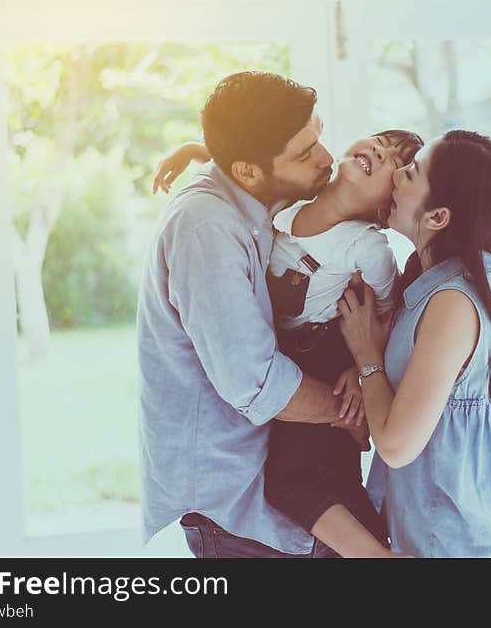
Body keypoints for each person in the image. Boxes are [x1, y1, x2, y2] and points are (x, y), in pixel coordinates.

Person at [155, 128, 423, 558]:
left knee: (296, 479)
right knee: (325, 473)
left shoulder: (366, 246)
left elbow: (388, 313)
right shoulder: (289, 205)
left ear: (382, 208)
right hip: (286, 356)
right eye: (377, 141)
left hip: (326, 356)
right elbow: (260, 166)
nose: (378, 150)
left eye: (391, 160)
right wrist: (197, 149)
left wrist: (362, 367)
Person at [138, 71, 367, 558]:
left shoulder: (254, 189)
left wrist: (200, 149)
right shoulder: (205, 227)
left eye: (318, 137)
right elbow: (255, 382)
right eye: (304, 154)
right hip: (231, 510)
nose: (327, 159)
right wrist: (358, 412)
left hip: (269, 491)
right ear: (246, 171)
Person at [337, 130, 491, 557]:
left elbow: (396, 445)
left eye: (412, 171)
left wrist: (367, 356)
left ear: (438, 217)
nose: (397, 175)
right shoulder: (439, 282)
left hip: (451, 544)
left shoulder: (452, 303)